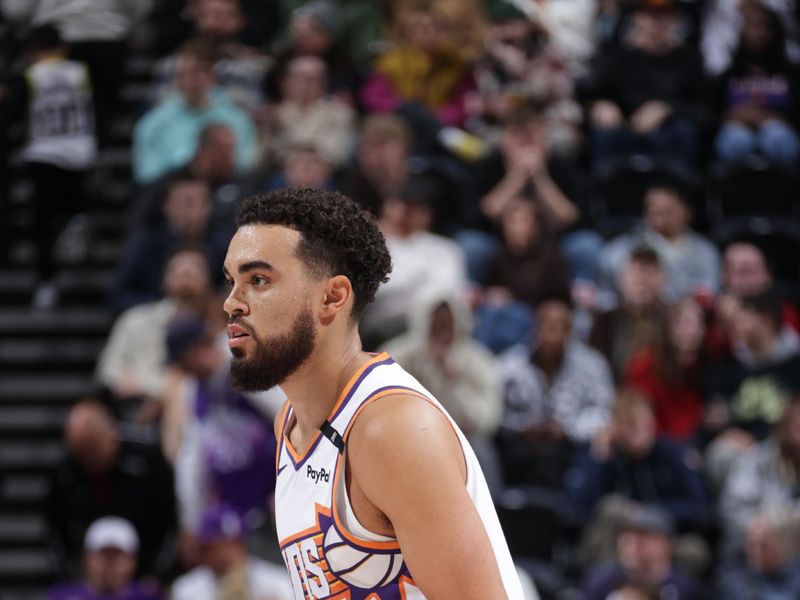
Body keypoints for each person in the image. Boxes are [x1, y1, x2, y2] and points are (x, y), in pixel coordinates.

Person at [221, 188, 524, 597]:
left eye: (258, 280)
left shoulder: (391, 429)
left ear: (332, 297)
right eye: (232, 281)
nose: (231, 303)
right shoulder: (290, 423)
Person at [0, 25, 97, 309]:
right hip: (80, 151)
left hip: (44, 153)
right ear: (63, 47)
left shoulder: (29, 76)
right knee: (67, 208)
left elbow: (10, 117)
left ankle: (46, 281)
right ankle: (77, 219)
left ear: (32, 50)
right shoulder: (80, 72)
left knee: (42, 222)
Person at [47, 401, 176, 578]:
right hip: (87, 570)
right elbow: (56, 528)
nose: (88, 459)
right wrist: (70, 573)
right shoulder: (65, 472)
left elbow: (168, 519)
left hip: (145, 557)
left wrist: (156, 574)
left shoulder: (146, 460)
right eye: (80, 453)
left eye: (92, 449)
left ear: (110, 434)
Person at [497, 292, 614, 487]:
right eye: (547, 325)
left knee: (598, 450)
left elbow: (603, 410)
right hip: (519, 445)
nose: (552, 332)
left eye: (560, 326)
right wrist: (519, 427)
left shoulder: (592, 365)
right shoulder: (509, 366)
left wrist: (569, 430)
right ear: (535, 329)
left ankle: (575, 513)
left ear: (570, 331)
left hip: (573, 446)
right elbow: (494, 411)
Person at [132, 40, 257, 185]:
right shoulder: (153, 124)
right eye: (185, 74)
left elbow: (247, 165)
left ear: (212, 76)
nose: (192, 80)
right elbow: (146, 174)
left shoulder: (237, 119)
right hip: (173, 191)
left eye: (199, 72)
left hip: (223, 188)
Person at [597, 183, 720, 304]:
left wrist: (664, 292)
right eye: (652, 208)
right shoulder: (629, 245)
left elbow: (709, 292)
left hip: (684, 318)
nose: (658, 214)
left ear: (687, 213)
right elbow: (607, 278)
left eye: (667, 210)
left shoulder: (704, 251)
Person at [582, 504, 706, 600]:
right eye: (628, 537)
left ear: (667, 543)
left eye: (644, 537)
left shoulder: (686, 587)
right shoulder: (603, 582)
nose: (634, 545)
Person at [171, 505, 292, 600]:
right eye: (207, 548)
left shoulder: (278, 582)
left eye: (222, 545)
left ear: (239, 543)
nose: (219, 554)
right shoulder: (185, 589)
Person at [47, 517, 162, 600]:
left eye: (117, 555)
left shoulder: (148, 595)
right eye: (103, 554)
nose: (109, 563)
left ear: (133, 560)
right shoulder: (61, 595)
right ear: (86, 558)